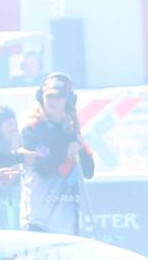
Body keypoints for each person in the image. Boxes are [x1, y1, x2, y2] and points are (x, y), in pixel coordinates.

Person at [19, 72, 95, 235]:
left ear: (68, 100)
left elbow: (89, 171)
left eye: (59, 96)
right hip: (37, 219)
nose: (53, 101)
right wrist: (66, 147)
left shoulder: (72, 130)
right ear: (41, 97)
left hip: (66, 220)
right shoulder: (32, 129)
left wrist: (78, 147)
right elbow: (43, 168)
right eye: (49, 96)